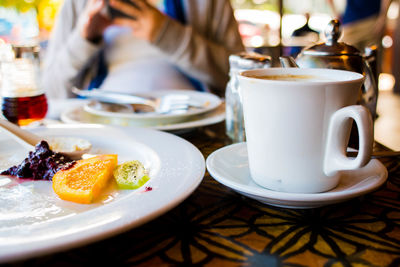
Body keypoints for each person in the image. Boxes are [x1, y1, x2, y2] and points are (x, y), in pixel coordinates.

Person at [41, 0, 245, 99]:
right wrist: (84, 40)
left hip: (196, 131)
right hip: (103, 128)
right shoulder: (78, 4)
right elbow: (52, 92)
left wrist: (167, 35)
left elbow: (242, 78)